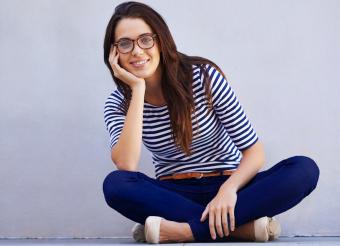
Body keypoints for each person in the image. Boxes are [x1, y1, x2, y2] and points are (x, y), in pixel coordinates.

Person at [102, 1, 320, 244]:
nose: (137, 51)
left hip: (231, 187)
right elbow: (126, 164)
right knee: (116, 185)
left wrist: (228, 190)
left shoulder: (203, 77)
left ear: (161, 41)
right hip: (174, 194)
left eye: (145, 39)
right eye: (125, 43)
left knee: (303, 170)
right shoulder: (117, 103)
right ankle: (240, 229)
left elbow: (254, 153)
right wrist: (138, 89)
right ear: (114, 53)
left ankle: (185, 231)